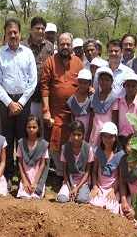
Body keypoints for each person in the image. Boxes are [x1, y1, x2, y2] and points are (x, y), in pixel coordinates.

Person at [0, 18, 37, 185]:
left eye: (15, 32)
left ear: (20, 33)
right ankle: (8, 173)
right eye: (9, 32)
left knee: (23, 137)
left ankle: (23, 172)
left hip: (23, 101)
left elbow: (33, 81)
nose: (13, 35)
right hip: (6, 101)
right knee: (8, 138)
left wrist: (21, 102)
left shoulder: (27, 53)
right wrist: (9, 102)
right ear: (5, 35)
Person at [41, 32, 83, 177]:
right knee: (55, 142)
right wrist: (46, 110)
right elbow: (45, 87)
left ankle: (71, 172)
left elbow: (83, 84)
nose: (65, 46)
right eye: (62, 44)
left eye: (68, 44)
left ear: (72, 46)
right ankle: (60, 172)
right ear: (57, 45)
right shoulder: (50, 61)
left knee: (72, 141)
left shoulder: (78, 62)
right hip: (55, 110)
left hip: (74, 112)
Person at [22, 17, 54, 132]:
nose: (40, 31)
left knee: (44, 130)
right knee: (29, 128)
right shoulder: (23, 46)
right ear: (31, 29)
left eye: (42, 28)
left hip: (45, 96)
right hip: (27, 97)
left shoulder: (49, 47)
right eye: (37, 28)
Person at [90, 122, 125, 214]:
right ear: (101, 137)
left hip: (112, 188)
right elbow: (94, 172)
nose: (107, 139)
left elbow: (120, 177)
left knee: (111, 209)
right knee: (94, 204)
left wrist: (114, 190)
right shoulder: (98, 152)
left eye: (110, 137)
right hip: (99, 187)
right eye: (105, 136)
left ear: (115, 138)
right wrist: (94, 186)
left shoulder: (120, 155)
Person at [56, 120, 92, 204]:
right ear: (70, 134)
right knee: (62, 199)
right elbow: (65, 171)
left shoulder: (88, 148)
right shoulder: (65, 148)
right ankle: (70, 192)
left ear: (83, 135)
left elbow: (87, 172)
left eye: (79, 135)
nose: (76, 137)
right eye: (74, 134)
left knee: (82, 200)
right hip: (69, 181)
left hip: (82, 182)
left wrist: (77, 188)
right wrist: (70, 187)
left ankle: (80, 193)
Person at [16, 115, 49, 199]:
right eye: (29, 127)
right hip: (25, 176)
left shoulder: (43, 144)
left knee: (35, 197)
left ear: (38, 128)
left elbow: (42, 165)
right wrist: (25, 180)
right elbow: (19, 162)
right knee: (24, 197)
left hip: (37, 177)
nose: (31, 129)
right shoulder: (21, 143)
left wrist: (35, 182)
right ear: (25, 128)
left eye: (34, 127)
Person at [88, 67, 119, 146]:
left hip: (107, 135)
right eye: (101, 79)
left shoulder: (114, 98)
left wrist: (113, 136)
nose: (104, 82)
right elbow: (92, 118)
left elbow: (114, 119)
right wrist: (88, 134)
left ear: (112, 81)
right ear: (98, 81)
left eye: (107, 80)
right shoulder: (94, 97)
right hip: (94, 133)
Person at [118, 71, 137, 147]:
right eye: (128, 86)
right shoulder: (119, 102)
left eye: (133, 86)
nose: (130, 89)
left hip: (134, 140)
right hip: (120, 138)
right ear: (124, 86)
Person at [66, 69, 92, 139]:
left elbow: (92, 118)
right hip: (76, 134)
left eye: (85, 83)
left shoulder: (91, 98)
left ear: (90, 83)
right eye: (80, 82)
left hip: (89, 133)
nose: (82, 85)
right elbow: (72, 118)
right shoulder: (72, 99)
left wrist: (89, 134)